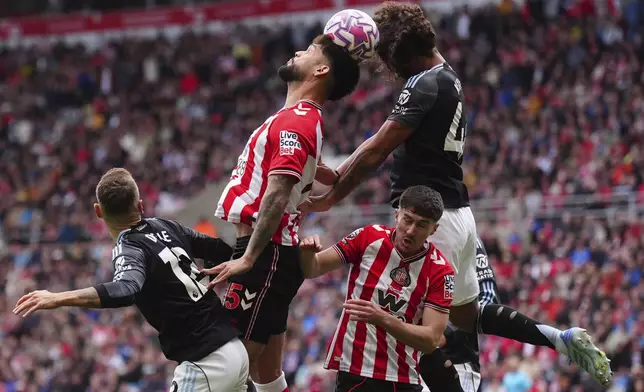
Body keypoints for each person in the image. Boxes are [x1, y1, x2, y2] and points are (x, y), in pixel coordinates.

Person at [299, 2, 612, 388]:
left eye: (386, 55)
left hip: (432, 222)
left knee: (417, 326)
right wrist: (340, 170)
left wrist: (332, 196)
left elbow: (378, 149)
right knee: (467, 317)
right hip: (458, 218)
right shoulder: (447, 78)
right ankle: (556, 338)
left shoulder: (424, 83)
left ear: (400, 48)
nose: (386, 66)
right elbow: (376, 146)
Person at [201, 34, 361, 392]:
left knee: (229, 368)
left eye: (310, 51)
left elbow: (277, 192)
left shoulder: (299, 121)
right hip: (274, 253)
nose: (298, 51)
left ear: (321, 69)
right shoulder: (303, 120)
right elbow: (328, 173)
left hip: (265, 253)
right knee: (267, 377)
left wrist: (248, 259)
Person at [12, 168, 249, 392]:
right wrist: (208, 278)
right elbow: (220, 250)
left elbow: (126, 290)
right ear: (140, 205)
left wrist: (58, 298)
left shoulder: (129, 247)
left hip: (206, 362)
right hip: (236, 351)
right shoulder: (167, 226)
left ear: (98, 211)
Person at [299, 186, 454, 392]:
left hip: (403, 378)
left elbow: (431, 340)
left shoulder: (441, 272)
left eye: (421, 225)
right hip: (355, 369)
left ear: (433, 229)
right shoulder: (368, 237)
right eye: (407, 219)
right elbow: (313, 268)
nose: (410, 230)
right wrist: (307, 252)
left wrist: (382, 318)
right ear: (397, 215)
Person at [421, 238, 498, 392]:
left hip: (457, 360)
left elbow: (488, 298)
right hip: (408, 363)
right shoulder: (407, 238)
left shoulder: (468, 238)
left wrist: (448, 333)